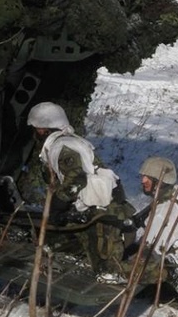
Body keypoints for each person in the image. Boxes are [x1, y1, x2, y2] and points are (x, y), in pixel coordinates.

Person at [35, 103, 136, 275]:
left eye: (37, 128)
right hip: (96, 207)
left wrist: (57, 204)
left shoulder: (63, 147)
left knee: (108, 270)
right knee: (80, 247)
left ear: (43, 129)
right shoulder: (70, 142)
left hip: (104, 211)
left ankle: (163, 273)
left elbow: (76, 179)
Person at [128, 157, 178, 312]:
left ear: (160, 182)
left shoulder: (168, 209)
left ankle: (174, 294)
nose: (143, 180)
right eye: (142, 176)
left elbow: (152, 247)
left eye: (149, 177)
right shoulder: (171, 196)